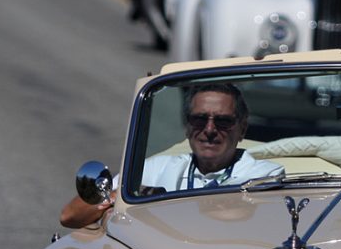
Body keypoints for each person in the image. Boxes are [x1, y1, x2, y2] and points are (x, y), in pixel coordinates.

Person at [60, 83, 282, 228]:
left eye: (223, 121)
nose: (210, 129)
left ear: (242, 128)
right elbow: (69, 216)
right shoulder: (156, 168)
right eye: (199, 119)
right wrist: (126, 195)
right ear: (187, 127)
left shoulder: (266, 174)